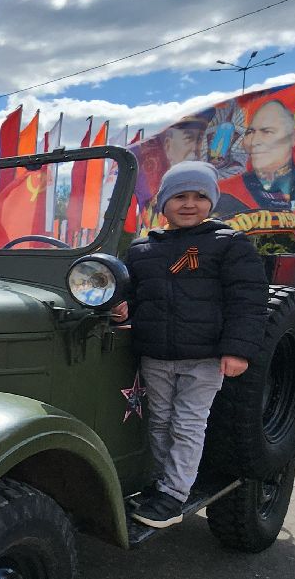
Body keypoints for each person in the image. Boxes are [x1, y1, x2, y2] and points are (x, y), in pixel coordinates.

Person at [112, 162, 268, 528]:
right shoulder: (142, 249)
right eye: (179, 196)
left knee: (187, 424)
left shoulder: (228, 243)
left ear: (212, 202)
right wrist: (121, 308)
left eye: (200, 197)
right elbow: (137, 294)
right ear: (164, 203)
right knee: (159, 422)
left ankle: (174, 494)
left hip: (204, 357)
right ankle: (161, 483)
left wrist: (238, 349)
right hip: (156, 355)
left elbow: (247, 299)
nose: (189, 204)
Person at [213, 99, 295, 242]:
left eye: (267, 131)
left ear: (293, 138)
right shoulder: (224, 191)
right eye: (250, 132)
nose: (254, 141)